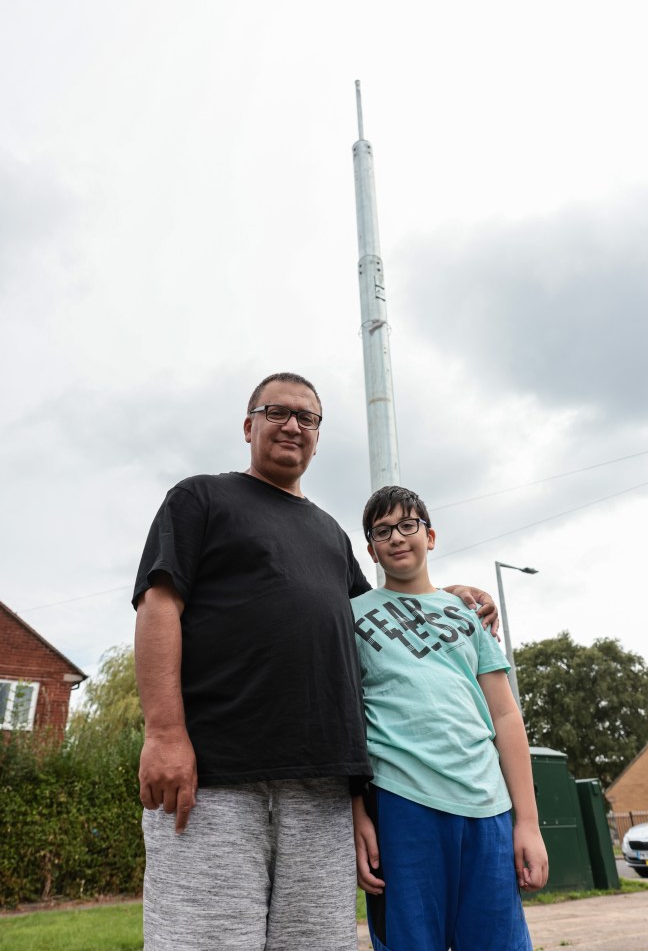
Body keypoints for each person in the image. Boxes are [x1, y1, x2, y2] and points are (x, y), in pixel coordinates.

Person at [132, 372, 500, 951]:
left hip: (323, 789)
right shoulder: (200, 498)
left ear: (318, 437)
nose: (293, 425)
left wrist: (448, 594)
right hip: (217, 781)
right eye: (277, 411)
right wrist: (165, 732)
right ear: (248, 425)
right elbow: (159, 604)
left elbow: (384, 615)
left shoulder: (331, 535)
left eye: (308, 418)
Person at [352, 484, 549, 951]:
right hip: (402, 803)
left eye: (408, 525)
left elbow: (505, 715)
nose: (397, 537)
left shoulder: (466, 615)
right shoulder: (351, 616)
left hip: (489, 808)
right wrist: (356, 813)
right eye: (383, 531)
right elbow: (346, 721)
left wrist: (528, 823)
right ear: (371, 549)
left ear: (431, 536)